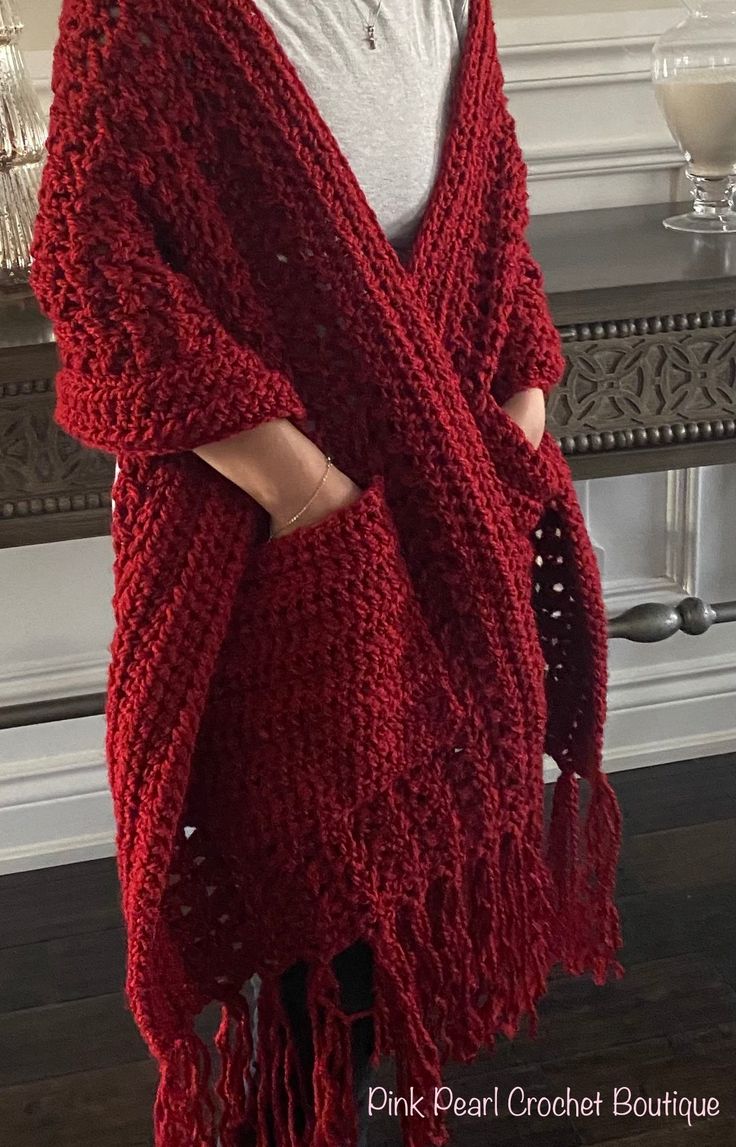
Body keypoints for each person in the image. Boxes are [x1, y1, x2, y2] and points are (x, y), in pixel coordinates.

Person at [29, 2, 623, 1145]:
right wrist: (307, 494)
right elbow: (94, 276)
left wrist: (518, 412)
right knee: (310, 925)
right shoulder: (143, 17)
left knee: (406, 885)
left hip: (453, 517)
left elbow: (498, 227)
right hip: (264, 540)